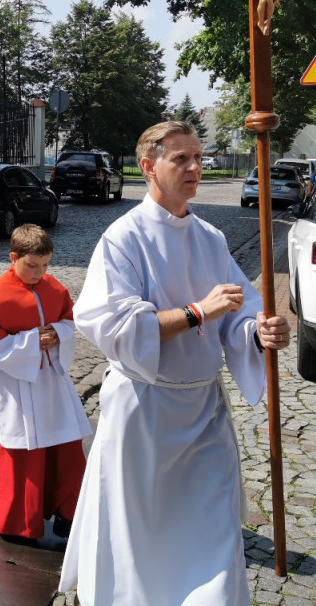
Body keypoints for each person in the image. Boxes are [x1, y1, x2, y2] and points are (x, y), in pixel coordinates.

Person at [58, 121, 290, 605]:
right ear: (148, 167)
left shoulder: (211, 237)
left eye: (198, 158)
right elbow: (109, 322)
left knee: (215, 529)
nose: (194, 168)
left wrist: (259, 331)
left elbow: (238, 311)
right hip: (145, 411)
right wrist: (195, 312)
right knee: (139, 538)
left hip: (203, 410)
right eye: (180, 159)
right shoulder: (123, 238)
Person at [0, 224, 91, 546]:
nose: (39, 273)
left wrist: (59, 334)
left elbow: (70, 322)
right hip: (15, 387)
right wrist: (31, 343)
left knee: (68, 448)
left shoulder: (54, 288)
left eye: (45, 265)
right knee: (22, 456)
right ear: (13, 257)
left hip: (51, 383)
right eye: (31, 265)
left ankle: (68, 513)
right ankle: (17, 523)